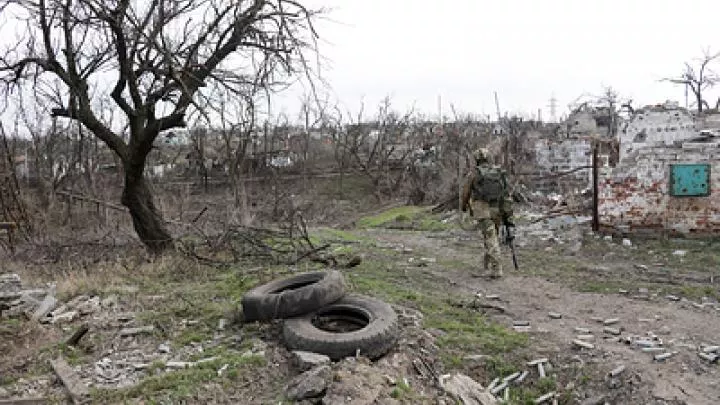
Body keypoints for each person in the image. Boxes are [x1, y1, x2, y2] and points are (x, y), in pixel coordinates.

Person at [461, 147, 515, 278]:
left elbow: (466, 193)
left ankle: (496, 269)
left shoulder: (474, 174)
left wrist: (464, 206)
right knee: (491, 237)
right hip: (497, 209)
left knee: (490, 238)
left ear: (476, 160)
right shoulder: (497, 172)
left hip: (482, 210)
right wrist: (507, 212)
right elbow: (506, 192)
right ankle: (487, 266)